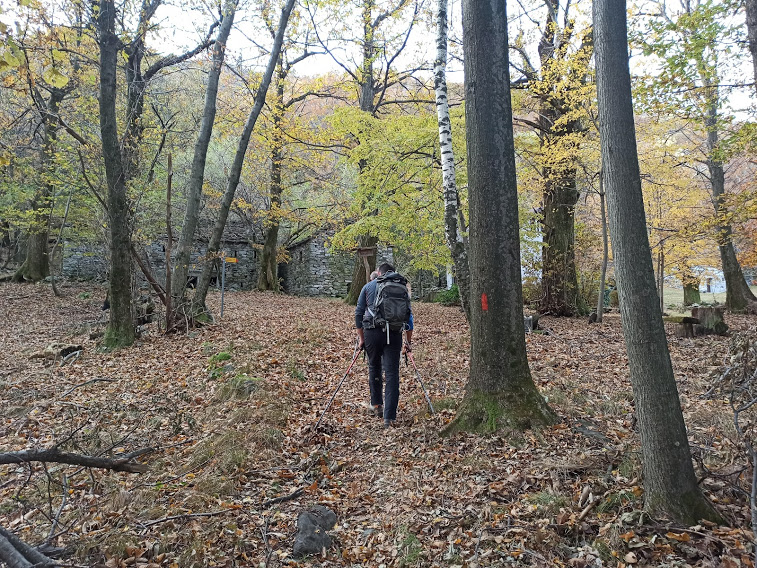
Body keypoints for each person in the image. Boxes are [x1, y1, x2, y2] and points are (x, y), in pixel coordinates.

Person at [355, 263, 413, 428]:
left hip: (372, 332)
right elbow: (409, 317)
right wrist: (408, 342)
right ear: (393, 273)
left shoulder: (368, 286)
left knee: (374, 367)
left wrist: (361, 338)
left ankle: (377, 405)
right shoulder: (401, 287)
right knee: (392, 373)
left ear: (378, 273)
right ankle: (389, 418)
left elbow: (358, 313)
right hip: (394, 334)